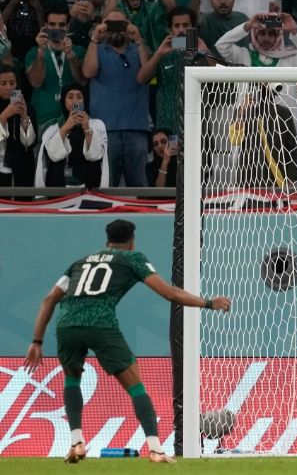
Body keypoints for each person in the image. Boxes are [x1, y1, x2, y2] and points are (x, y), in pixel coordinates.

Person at [22, 219, 232, 464]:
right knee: (135, 385)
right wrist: (208, 303)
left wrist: (36, 341)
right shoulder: (133, 259)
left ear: (106, 240)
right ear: (132, 242)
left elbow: (49, 300)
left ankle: (77, 442)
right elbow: (169, 293)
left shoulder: (79, 263)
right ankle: (155, 449)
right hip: (100, 323)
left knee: (72, 379)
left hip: (66, 324)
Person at [83, 11, 150, 187]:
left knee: (139, 186)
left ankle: (143, 216)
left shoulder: (139, 49)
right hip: (105, 130)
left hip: (136, 128)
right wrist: (95, 38)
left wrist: (139, 40)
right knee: (106, 186)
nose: (116, 30)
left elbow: (149, 73)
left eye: (121, 25)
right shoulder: (97, 49)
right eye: (110, 25)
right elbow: (88, 72)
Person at [137, 6, 211, 133]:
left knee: (198, 152)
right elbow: (141, 78)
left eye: (185, 25)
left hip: (197, 124)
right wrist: (159, 53)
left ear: (193, 28)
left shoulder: (202, 51)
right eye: (176, 26)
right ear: (170, 29)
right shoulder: (163, 53)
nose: (181, 30)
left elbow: (219, 76)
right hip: (168, 125)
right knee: (170, 153)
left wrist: (205, 52)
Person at [35, 83, 108, 189]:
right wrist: (65, 127)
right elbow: (54, 155)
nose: (75, 101)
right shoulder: (52, 127)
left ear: (85, 100)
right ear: (63, 101)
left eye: (79, 97)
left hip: (89, 187)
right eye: (70, 97)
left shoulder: (97, 125)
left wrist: (87, 128)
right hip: (59, 187)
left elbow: (95, 155)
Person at [25, 8, 86, 135]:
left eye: (62, 25)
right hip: (42, 119)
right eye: (52, 24)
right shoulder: (33, 53)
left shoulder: (78, 51)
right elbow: (36, 82)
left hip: (71, 119)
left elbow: (81, 81)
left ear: (68, 27)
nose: (57, 28)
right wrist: (41, 52)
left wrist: (70, 55)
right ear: (45, 26)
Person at [228, 83, 297, 188]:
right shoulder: (243, 111)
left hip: (276, 174)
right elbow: (235, 140)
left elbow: (292, 146)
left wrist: (291, 177)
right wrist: (242, 111)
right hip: (249, 175)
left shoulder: (283, 113)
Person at [0, 64, 36, 189]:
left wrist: (24, 116)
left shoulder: (28, 107)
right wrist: (4, 116)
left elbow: (29, 142)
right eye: (3, 83)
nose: (8, 87)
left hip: (23, 167)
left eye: (12, 83)